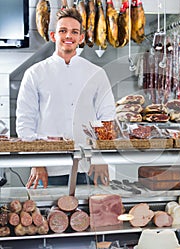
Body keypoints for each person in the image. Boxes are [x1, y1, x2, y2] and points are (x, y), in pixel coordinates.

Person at [16, 8, 116, 189]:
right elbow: (25, 122)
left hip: (89, 166)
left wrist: (102, 157)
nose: (68, 36)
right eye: (63, 31)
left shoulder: (96, 73)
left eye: (74, 32)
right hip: (48, 166)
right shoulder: (35, 73)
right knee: (49, 215)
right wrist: (37, 162)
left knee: (91, 214)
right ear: (54, 35)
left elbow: (108, 118)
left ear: (81, 38)